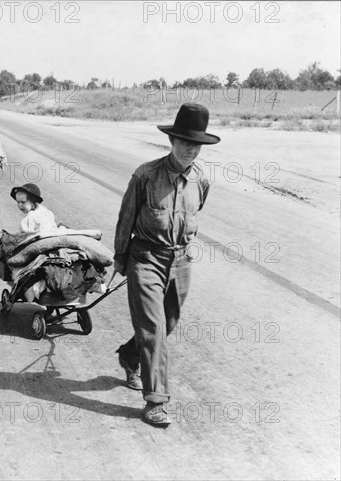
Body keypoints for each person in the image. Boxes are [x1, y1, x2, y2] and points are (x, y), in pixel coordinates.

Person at [113, 103, 220, 427]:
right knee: (154, 328)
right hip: (145, 258)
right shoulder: (145, 175)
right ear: (171, 141)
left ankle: (130, 356)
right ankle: (155, 401)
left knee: (167, 323)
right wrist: (120, 257)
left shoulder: (200, 180)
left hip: (181, 261)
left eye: (196, 145)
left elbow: (196, 211)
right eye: (185, 143)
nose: (190, 150)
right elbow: (125, 219)